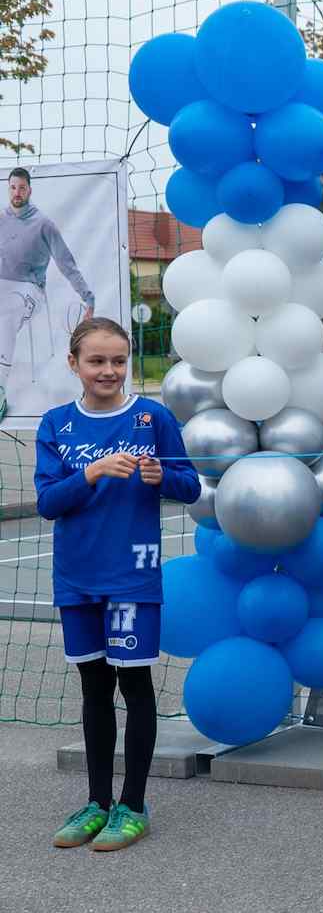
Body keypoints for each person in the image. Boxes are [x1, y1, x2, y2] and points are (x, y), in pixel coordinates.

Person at [34, 317, 200, 852]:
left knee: (134, 684)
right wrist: (91, 472)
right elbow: (47, 502)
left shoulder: (153, 417)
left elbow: (190, 485)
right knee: (93, 687)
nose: (109, 370)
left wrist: (163, 477)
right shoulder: (56, 424)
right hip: (77, 576)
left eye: (119, 361)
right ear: (74, 364)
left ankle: (132, 805)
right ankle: (97, 803)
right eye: (97, 361)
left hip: (132, 574)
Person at [1, 168, 96, 419]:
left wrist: (88, 297)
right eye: (13, 187)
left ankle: (0, 389)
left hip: (29, 290)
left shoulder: (44, 225)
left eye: (22, 188)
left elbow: (66, 263)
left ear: (29, 190)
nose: (17, 192)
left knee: (7, 309)